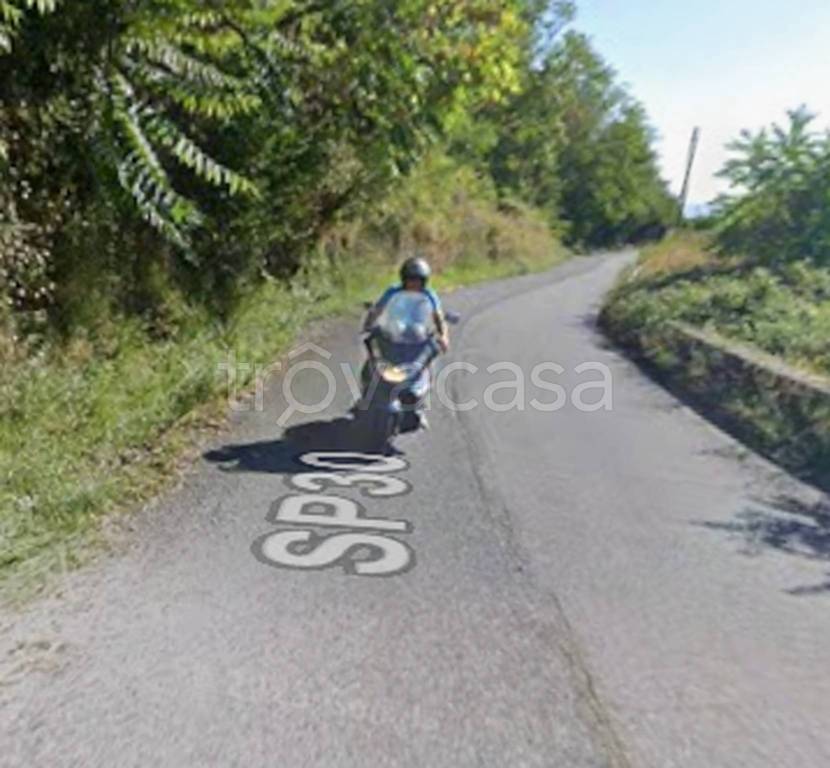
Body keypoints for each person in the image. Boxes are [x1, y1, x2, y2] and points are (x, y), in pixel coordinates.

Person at [358, 255, 449, 429]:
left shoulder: (428, 294)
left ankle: (419, 405)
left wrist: (443, 335)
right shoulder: (393, 291)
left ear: (424, 281)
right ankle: (369, 388)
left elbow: (437, 315)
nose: (414, 284)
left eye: (418, 280)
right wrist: (369, 323)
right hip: (394, 332)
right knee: (376, 351)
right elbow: (379, 308)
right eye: (410, 280)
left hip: (417, 335)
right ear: (403, 279)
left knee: (424, 360)